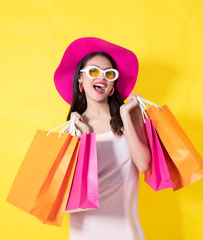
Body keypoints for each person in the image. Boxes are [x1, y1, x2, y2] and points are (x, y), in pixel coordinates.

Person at [53, 37, 151, 240]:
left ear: (113, 85)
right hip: (85, 230)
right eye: (94, 71)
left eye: (109, 74)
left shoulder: (130, 115)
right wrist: (84, 137)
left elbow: (143, 165)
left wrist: (124, 116)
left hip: (125, 229)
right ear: (80, 79)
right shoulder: (72, 130)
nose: (102, 77)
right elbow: (68, 190)